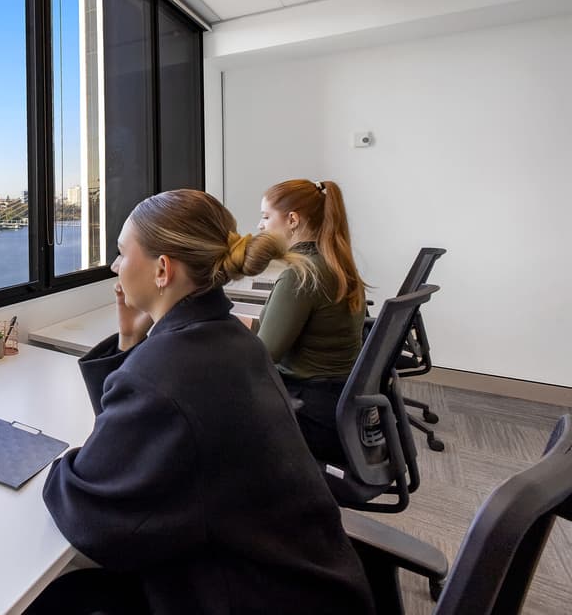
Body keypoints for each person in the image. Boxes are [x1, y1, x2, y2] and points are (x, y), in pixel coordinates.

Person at [26, 190, 372, 615]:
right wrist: (132, 340)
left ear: (162, 269)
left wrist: (56, 468)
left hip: (249, 596)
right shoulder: (233, 340)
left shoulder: (166, 371)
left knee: (58, 598)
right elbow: (136, 449)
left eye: (121, 253)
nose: (116, 267)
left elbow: (96, 520)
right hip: (311, 585)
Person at [254, 179, 368, 464]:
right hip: (338, 404)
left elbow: (262, 358)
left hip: (310, 412)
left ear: (292, 219)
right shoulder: (336, 263)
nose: (260, 226)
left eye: (266, 217)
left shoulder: (301, 274)